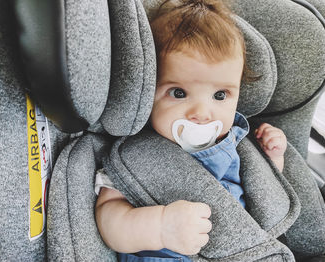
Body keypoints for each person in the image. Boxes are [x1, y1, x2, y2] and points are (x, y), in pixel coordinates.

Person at [95, 0, 287, 260]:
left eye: (220, 95)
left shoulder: (237, 143)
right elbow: (109, 217)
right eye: (178, 93)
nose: (202, 113)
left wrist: (273, 159)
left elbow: (260, 199)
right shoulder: (133, 157)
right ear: (146, 92)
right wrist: (160, 227)